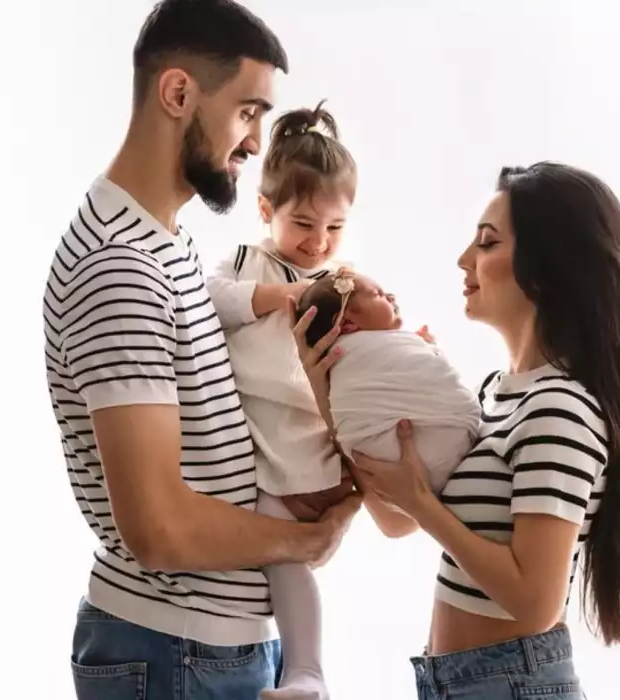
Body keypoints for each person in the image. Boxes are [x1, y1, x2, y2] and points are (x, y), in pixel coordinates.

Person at [41, 2, 361, 699]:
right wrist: (305, 542)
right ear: (179, 93)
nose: (256, 143)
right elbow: (157, 528)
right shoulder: (120, 267)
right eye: (248, 111)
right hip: (176, 651)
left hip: (198, 649)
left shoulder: (166, 243)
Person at [289, 162, 620, 699]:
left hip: (511, 686)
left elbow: (534, 603)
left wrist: (427, 508)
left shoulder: (559, 409)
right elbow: (396, 517)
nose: (464, 259)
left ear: (548, 266)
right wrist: (327, 391)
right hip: (460, 683)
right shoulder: (499, 395)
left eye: (487, 243)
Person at [203, 101, 360, 700]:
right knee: (281, 556)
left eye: (335, 228)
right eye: (303, 224)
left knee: (285, 553)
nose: (319, 243)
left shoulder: (339, 281)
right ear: (266, 210)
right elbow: (208, 299)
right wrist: (273, 297)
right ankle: (305, 673)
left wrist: (400, 332)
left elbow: (372, 337)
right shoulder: (248, 264)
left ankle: (307, 671)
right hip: (265, 454)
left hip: (313, 443)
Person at [295, 268, 481, 493]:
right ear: (345, 322)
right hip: (410, 456)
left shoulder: (371, 351)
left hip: (404, 472)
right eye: (379, 294)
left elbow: (414, 373)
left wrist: (421, 347)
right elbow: (427, 369)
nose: (391, 296)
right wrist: (426, 349)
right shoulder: (349, 358)